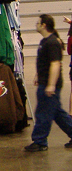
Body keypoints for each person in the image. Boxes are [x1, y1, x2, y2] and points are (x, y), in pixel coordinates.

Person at [24, 14, 72, 151]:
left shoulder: (52, 43)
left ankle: (40, 141)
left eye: (38, 23)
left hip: (50, 85)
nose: (36, 25)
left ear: (44, 25)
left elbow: (55, 64)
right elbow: (44, 62)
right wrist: (38, 75)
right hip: (45, 82)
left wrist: (51, 85)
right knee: (58, 113)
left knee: (43, 113)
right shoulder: (44, 42)